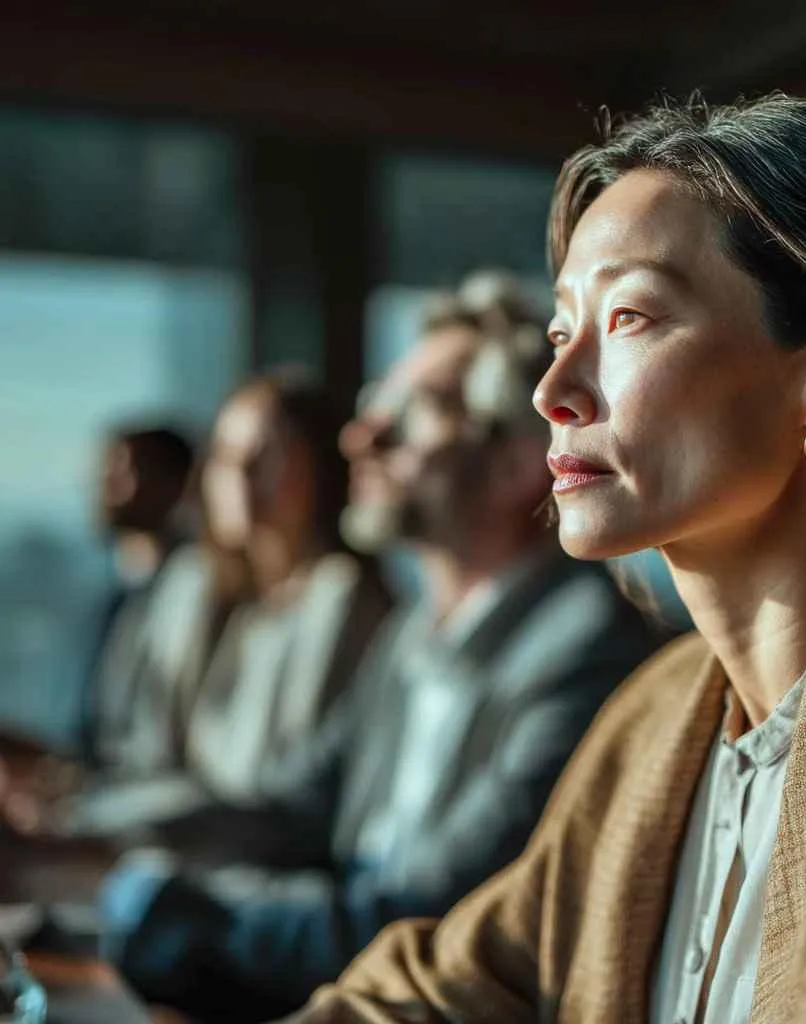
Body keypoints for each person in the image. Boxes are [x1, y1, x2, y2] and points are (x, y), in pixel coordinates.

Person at [282, 95, 806, 1024]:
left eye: (630, 317)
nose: (553, 391)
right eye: (561, 331)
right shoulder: (654, 717)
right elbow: (431, 989)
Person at [99, 272, 667, 1021]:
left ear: (515, 463)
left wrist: (147, 905)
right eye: (374, 409)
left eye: (416, 414)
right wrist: (80, 852)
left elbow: (425, 923)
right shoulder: (409, 634)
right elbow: (288, 812)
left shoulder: (589, 658)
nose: (360, 438)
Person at [55, 370, 394, 840]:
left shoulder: (341, 599)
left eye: (266, 456)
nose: (241, 476)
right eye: (227, 456)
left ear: (319, 467)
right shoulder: (205, 592)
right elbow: (151, 753)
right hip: (183, 838)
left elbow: (288, 797)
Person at [0, 424, 196, 830]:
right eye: (103, 469)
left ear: (175, 485)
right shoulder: (115, 597)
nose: (103, 483)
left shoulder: (190, 598)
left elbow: (151, 748)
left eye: (125, 469)